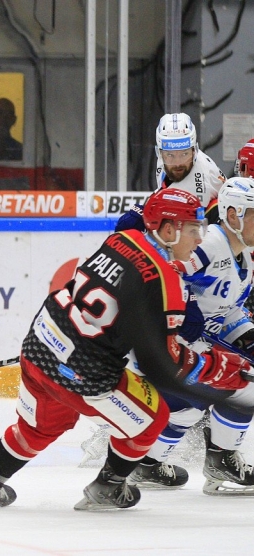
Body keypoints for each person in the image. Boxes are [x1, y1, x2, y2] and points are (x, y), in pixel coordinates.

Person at [0, 187, 254, 511]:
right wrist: (217, 368)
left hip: (39, 344)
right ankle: (108, 488)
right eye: (193, 229)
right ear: (168, 230)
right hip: (84, 370)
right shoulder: (164, 279)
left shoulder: (120, 240)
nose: (199, 238)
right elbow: (165, 361)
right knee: (154, 417)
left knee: (39, 427)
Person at [126, 177, 254, 494]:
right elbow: (165, 273)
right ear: (234, 214)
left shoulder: (245, 257)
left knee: (187, 407)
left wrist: (246, 336)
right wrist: (188, 309)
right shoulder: (209, 245)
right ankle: (221, 460)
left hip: (194, 343)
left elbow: (228, 309)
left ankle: (147, 463)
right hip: (169, 342)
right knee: (244, 383)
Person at [116, 112, 226, 232]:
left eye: (184, 154)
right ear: (160, 153)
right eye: (170, 155)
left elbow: (180, 235)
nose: (178, 163)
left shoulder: (197, 184)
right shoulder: (167, 156)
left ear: (194, 151)